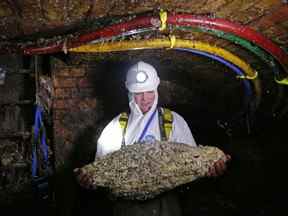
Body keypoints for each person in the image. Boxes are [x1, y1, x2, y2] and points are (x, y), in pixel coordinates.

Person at [78, 61, 230, 216]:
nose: (145, 99)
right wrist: (90, 180)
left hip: (166, 207)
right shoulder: (116, 126)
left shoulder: (173, 121)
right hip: (127, 209)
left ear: (156, 90)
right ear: (130, 93)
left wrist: (209, 169)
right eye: (138, 93)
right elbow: (101, 173)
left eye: (149, 91)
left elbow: (193, 166)